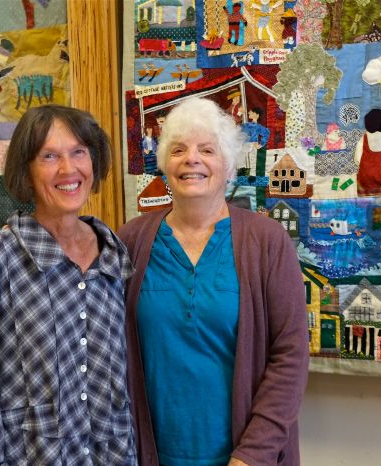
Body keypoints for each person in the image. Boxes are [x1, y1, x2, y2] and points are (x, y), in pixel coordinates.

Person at [0, 105, 137, 465]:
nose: (68, 169)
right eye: (49, 156)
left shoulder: (115, 257)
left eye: (78, 152)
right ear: (27, 170)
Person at [118, 97, 308, 466]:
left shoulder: (267, 241)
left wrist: (252, 456)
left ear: (228, 165)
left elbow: (290, 356)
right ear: (164, 164)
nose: (192, 159)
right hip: (150, 455)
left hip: (244, 457)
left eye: (207, 149)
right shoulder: (130, 241)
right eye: (178, 150)